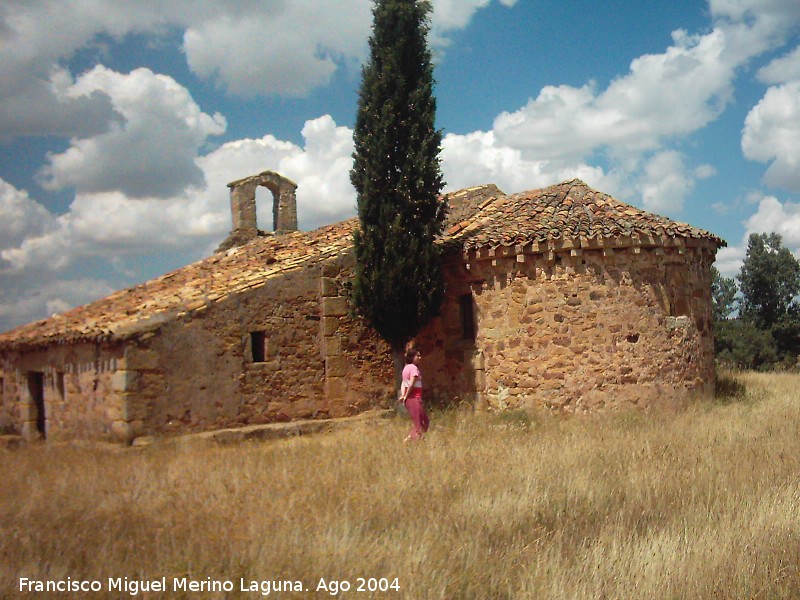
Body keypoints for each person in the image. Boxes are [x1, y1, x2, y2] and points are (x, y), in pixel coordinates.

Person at [399, 348, 429, 441]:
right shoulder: (413, 368)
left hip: (412, 398)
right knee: (420, 423)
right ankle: (411, 441)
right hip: (413, 398)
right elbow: (411, 383)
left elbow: (404, 383)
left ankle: (412, 439)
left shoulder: (406, 368)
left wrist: (403, 395)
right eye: (418, 356)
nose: (420, 357)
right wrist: (406, 396)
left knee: (423, 421)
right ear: (412, 357)